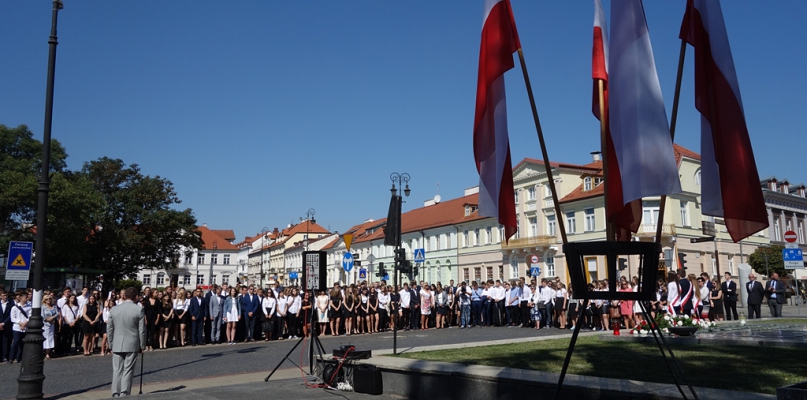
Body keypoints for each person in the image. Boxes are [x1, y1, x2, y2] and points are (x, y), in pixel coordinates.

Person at [107, 287, 147, 398]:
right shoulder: (138, 309)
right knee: (128, 370)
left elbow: (109, 328)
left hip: (117, 343)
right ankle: (124, 393)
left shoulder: (114, 309)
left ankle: (115, 392)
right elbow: (142, 330)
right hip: (132, 343)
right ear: (136, 297)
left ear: (124, 296)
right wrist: (142, 345)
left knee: (117, 370)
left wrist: (110, 344)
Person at [41, 295, 58, 360]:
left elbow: (57, 313)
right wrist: (47, 319)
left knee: (50, 338)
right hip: (45, 325)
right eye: (47, 299)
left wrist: (52, 318)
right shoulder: (43, 307)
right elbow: (42, 315)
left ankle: (48, 353)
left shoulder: (54, 306)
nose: (48, 300)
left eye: (49, 299)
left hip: (52, 324)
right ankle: (44, 352)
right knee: (45, 338)